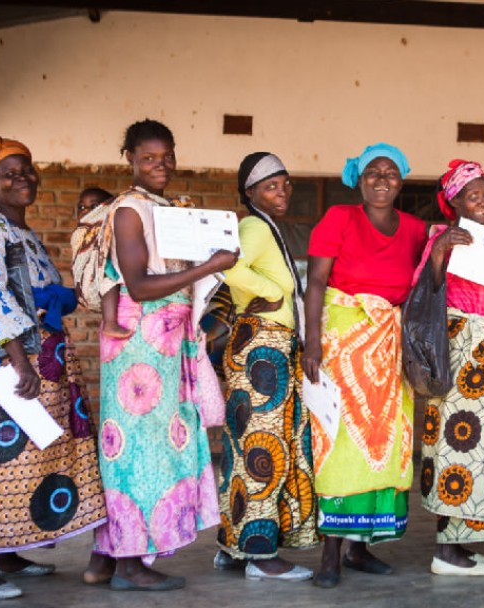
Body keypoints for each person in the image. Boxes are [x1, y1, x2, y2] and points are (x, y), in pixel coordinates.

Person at [0, 136, 108, 599]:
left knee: (30, 457)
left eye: (26, 170)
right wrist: (20, 361)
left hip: (39, 355)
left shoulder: (20, 230)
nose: (21, 178)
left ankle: (8, 555)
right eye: (8, 172)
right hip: (4, 360)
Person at [95, 119, 237, 591]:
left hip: (168, 342)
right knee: (137, 449)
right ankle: (130, 563)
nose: (161, 165)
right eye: (149, 157)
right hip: (139, 347)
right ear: (130, 160)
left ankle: (120, 559)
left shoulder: (169, 209)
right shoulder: (131, 210)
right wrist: (209, 265)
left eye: (167, 156)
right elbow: (137, 284)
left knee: (162, 446)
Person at [300, 143, 428, 588]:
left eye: (390, 172)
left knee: (384, 445)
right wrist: (311, 344)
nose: (381, 179)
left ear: (401, 181)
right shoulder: (339, 217)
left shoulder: (414, 229)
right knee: (340, 445)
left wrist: (447, 242)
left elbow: (429, 279)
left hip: (389, 350)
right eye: (373, 171)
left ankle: (360, 547)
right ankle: (330, 554)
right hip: (342, 341)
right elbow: (315, 282)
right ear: (358, 178)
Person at [416, 160, 484, 576]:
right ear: (454, 200)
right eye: (473, 195)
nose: (483, 202)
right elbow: (424, 291)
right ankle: (445, 551)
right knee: (453, 446)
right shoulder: (441, 239)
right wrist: (441, 250)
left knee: (482, 451)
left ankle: (459, 544)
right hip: (459, 352)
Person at [212, 153, 316, 581]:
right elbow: (228, 263)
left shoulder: (266, 227)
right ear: (250, 193)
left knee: (249, 447)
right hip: (262, 349)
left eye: (286, 184)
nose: (282, 192)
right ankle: (260, 555)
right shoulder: (253, 226)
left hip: (264, 347)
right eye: (271, 186)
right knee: (262, 448)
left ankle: (232, 547)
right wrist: (271, 290)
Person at [72, 187, 132, 340]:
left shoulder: (109, 222)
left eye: (94, 206)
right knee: (108, 280)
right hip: (91, 273)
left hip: (105, 266)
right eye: (81, 207)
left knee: (108, 278)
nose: (86, 210)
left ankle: (110, 322)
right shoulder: (81, 230)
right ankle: (110, 323)